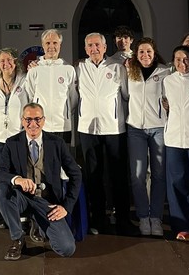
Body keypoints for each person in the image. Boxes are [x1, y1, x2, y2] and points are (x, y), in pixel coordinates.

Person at [0, 102, 82, 260]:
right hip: (22, 198)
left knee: (67, 248)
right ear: (22, 120)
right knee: (2, 190)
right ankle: (17, 238)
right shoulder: (12, 143)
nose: (32, 124)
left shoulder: (57, 143)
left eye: (37, 119)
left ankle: (37, 221)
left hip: (47, 202)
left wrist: (66, 207)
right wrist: (17, 179)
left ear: (44, 120)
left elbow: (76, 174)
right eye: (28, 120)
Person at [76, 32, 139, 236]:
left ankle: (122, 219)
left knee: (118, 176)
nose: (94, 48)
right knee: (93, 176)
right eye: (90, 45)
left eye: (97, 45)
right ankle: (98, 218)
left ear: (105, 47)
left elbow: (127, 95)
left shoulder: (116, 67)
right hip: (88, 129)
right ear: (85, 49)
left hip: (113, 128)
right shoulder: (79, 68)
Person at [127, 37, 170, 236]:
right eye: (141, 52)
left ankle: (156, 218)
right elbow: (125, 96)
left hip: (158, 129)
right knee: (138, 176)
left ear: (154, 53)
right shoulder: (129, 72)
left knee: (159, 175)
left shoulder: (164, 72)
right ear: (136, 54)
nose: (145, 55)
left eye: (149, 52)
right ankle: (144, 217)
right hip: (136, 128)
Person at [163, 45, 189, 241]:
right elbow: (163, 104)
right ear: (173, 62)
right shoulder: (168, 81)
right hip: (174, 139)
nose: (182, 63)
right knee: (177, 183)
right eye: (178, 60)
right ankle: (183, 226)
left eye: (186, 59)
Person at [25, 29, 77, 143]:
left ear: (60, 45)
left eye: (55, 43)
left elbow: (73, 97)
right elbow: (29, 95)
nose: (51, 46)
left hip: (63, 125)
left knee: (62, 159)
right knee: (42, 159)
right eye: (48, 43)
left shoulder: (68, 69)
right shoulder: (34, 70)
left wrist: (66, 112)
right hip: (41, 125)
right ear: (42, 45)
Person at [0, 48, 28, 164]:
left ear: (15, 61)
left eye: (9, 59)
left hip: (17, 135)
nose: (6, 64)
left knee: (18, 172)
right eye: (2, 61)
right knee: (1, 173)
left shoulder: (25, 81)